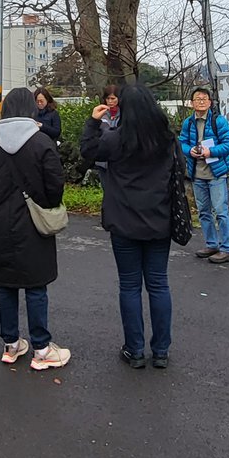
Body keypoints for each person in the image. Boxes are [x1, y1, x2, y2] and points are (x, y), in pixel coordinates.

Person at [81, 83, 177, 369]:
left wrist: (93, 121)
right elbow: (178, 173)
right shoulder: (167, 140)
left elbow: (87, 150)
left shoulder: (115, 139)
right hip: (160, 219)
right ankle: (161, 351)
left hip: (123, 221)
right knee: (159, 284)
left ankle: (134, 350)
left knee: (130, 286)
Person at [0, 88, 70, 370]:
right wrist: (45, 203)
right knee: (35, 285)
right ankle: (42, 348)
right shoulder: (41, 141)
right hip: (32, 220)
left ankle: (11, 344)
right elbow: (55, 185)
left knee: (6, 283)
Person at [177, 86, 229, 264]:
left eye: (204, 99)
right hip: (197, 173)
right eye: (197, 99)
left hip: (216, 173)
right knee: (203, 211)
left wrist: (211, 152)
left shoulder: (218, 121)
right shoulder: (188, 123)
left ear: (210, 102)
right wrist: (190, 151)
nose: (201, 101)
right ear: (191, 103)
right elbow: (181, 143)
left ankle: (227, 249)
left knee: (221, 211)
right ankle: (211, 244)